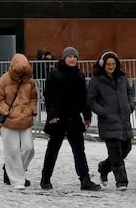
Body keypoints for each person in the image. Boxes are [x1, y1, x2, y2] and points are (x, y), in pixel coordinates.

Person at [40, 46, 100, 191]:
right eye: (70, 56)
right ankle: (45, 178)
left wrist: (86, 114)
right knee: (53, 149)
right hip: (59, 118)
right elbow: (50, 97)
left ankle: (84, 179)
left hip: (74, 117)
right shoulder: (54, 75)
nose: (73, 59)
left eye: (75, 57)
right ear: (64, 58)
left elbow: (83, 97)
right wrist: (52, 115)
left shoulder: (79, 75)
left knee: (79, 149)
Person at [88, 51, 134, 190]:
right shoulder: (97, 80)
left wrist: (130, 105)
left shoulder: (122, 77)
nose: (111, 67)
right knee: (115, 152)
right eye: (108, 64)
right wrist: (103, 111)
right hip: (108, 120)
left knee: (126, 148)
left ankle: (104, 167)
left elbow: (129, 92)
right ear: (103, 64)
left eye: (113, 64)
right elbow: (90, 100)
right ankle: (122, 181)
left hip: (123, 119)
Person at [0, 53, 38, 189]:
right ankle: (17, 180)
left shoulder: (30, 82)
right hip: (9, 120)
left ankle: (14, 170)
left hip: (25, 118)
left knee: (28, 148)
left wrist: (32, 110)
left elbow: (33, 98)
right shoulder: (2, 81)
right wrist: (8, 112)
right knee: (12, 150)